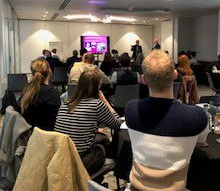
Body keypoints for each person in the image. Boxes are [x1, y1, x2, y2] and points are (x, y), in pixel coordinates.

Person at [125, 50, 209, 191]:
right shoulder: (197, 116)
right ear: (175, 75)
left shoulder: (131, 109)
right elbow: (201, 142)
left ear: (143, 79)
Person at [55, 70, 122, 175]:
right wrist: (105, 101)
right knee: (102, 145)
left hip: (61, 157)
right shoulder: (97, 105)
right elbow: (118, 124)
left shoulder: (66, 103)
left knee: (102, 137)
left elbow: (76, 125)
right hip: (81, 160)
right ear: (97, 87)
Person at [19, 59, 60, 130]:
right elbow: (57, 119)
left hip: (29, 133)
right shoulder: (51, 93)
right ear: (49, 71)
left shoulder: (27, 90)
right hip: (46, 136)